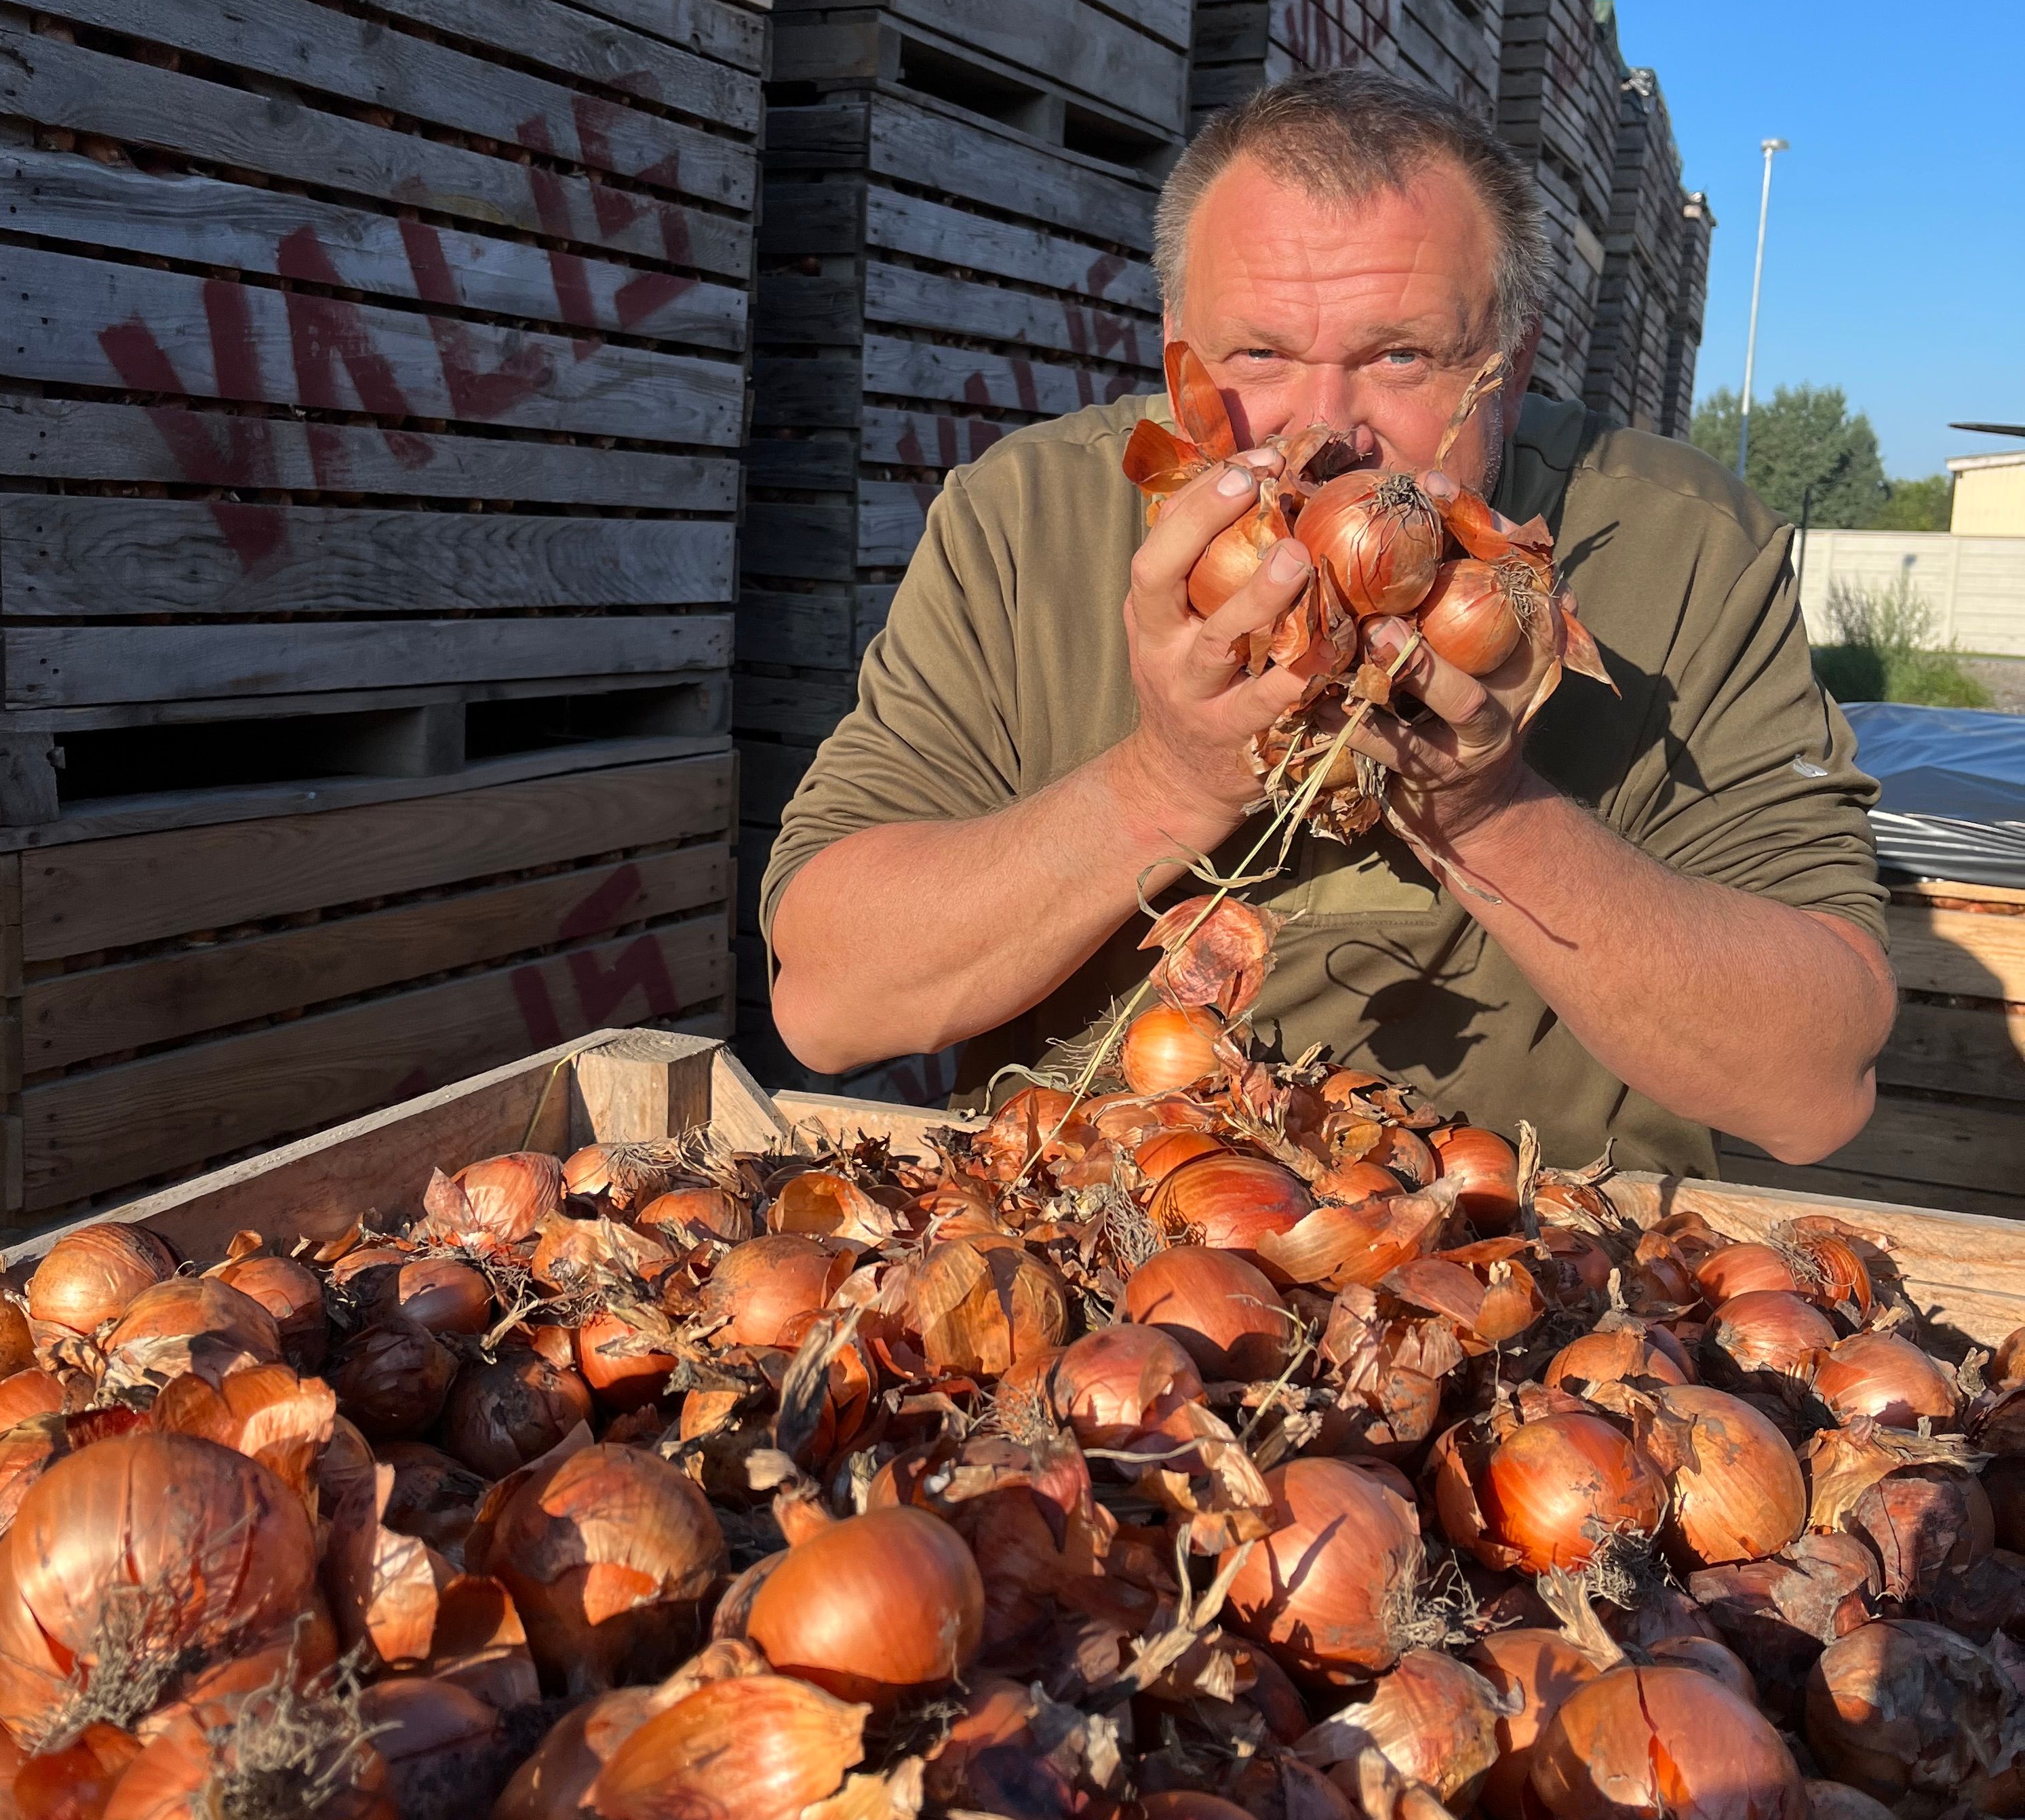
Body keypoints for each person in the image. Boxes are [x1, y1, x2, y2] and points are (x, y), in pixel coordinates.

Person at [760, 69, 1894, 1176]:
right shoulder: (1031, 517)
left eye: (1400, 355)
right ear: (1179, 351)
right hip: (1105, 1267)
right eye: (1259, 354)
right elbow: (827, 1003)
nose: (1324, 434)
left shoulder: (1680, 548)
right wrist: (1167, 782)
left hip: (1540, 1284)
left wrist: (1491, 816)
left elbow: (1813, 1083)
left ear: (1513, 358)